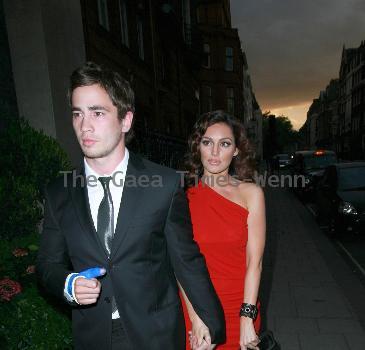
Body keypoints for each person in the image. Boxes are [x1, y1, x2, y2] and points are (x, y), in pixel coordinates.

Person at [36, 62, 225, 350]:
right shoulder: (59, 192)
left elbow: (186, 259)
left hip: (155, 335)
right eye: (77, 114)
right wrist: (68, 284)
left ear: (125, 120)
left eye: (97, 113)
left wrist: (209, 321)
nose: (84, 126)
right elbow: (47, 265)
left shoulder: (163, 184)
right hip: (94, 337)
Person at [180, 110, 266, 350]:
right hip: (197, 308)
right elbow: (180, 266)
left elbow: (254, 262)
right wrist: (196, 319)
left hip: (240, 306)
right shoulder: (182, 199)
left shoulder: (252, 194)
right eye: (207, 142)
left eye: (225, 144)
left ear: (236, 150)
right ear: (198, 147)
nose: (215, 152)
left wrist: (247, 317)